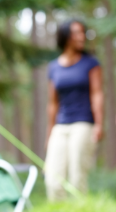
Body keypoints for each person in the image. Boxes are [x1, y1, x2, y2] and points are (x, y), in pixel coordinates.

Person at [45, 20, 104, 201]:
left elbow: (97, 94)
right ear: (66, 37)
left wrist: (99, 124)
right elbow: (53, 103)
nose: (82, 36)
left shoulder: (90, 63)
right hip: (61, 125)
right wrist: (50, 132)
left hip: (83, 122)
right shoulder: (54, 67)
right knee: (52, 178)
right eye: (76, 33)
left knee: (77, 175)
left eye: (82, 32)